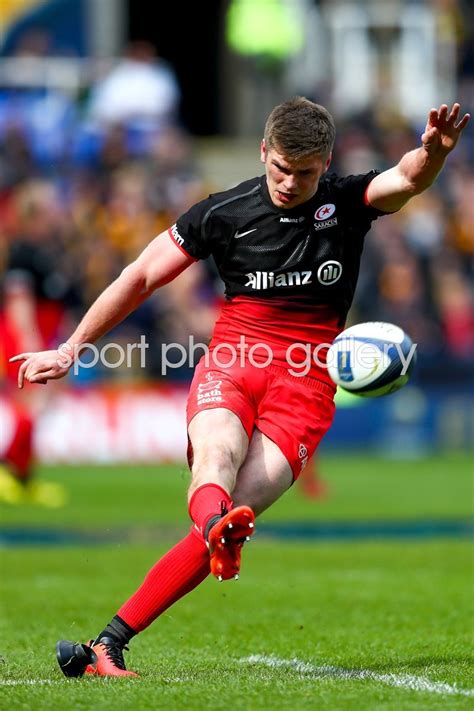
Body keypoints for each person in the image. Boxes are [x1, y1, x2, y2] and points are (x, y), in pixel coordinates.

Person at [11, 98, 469, 678]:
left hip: (306, 384)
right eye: (280, 168)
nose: (289, 183)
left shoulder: (346, 202)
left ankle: (109, 642)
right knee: (217, 459)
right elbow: (142, 274)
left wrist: (433, 152)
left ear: (325, 163)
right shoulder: (221, 212)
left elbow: (405, 178)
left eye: (304, 173)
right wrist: (72, 347)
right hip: (233, 359)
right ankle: (211, 534)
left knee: (236, 510)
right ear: (263, 152)